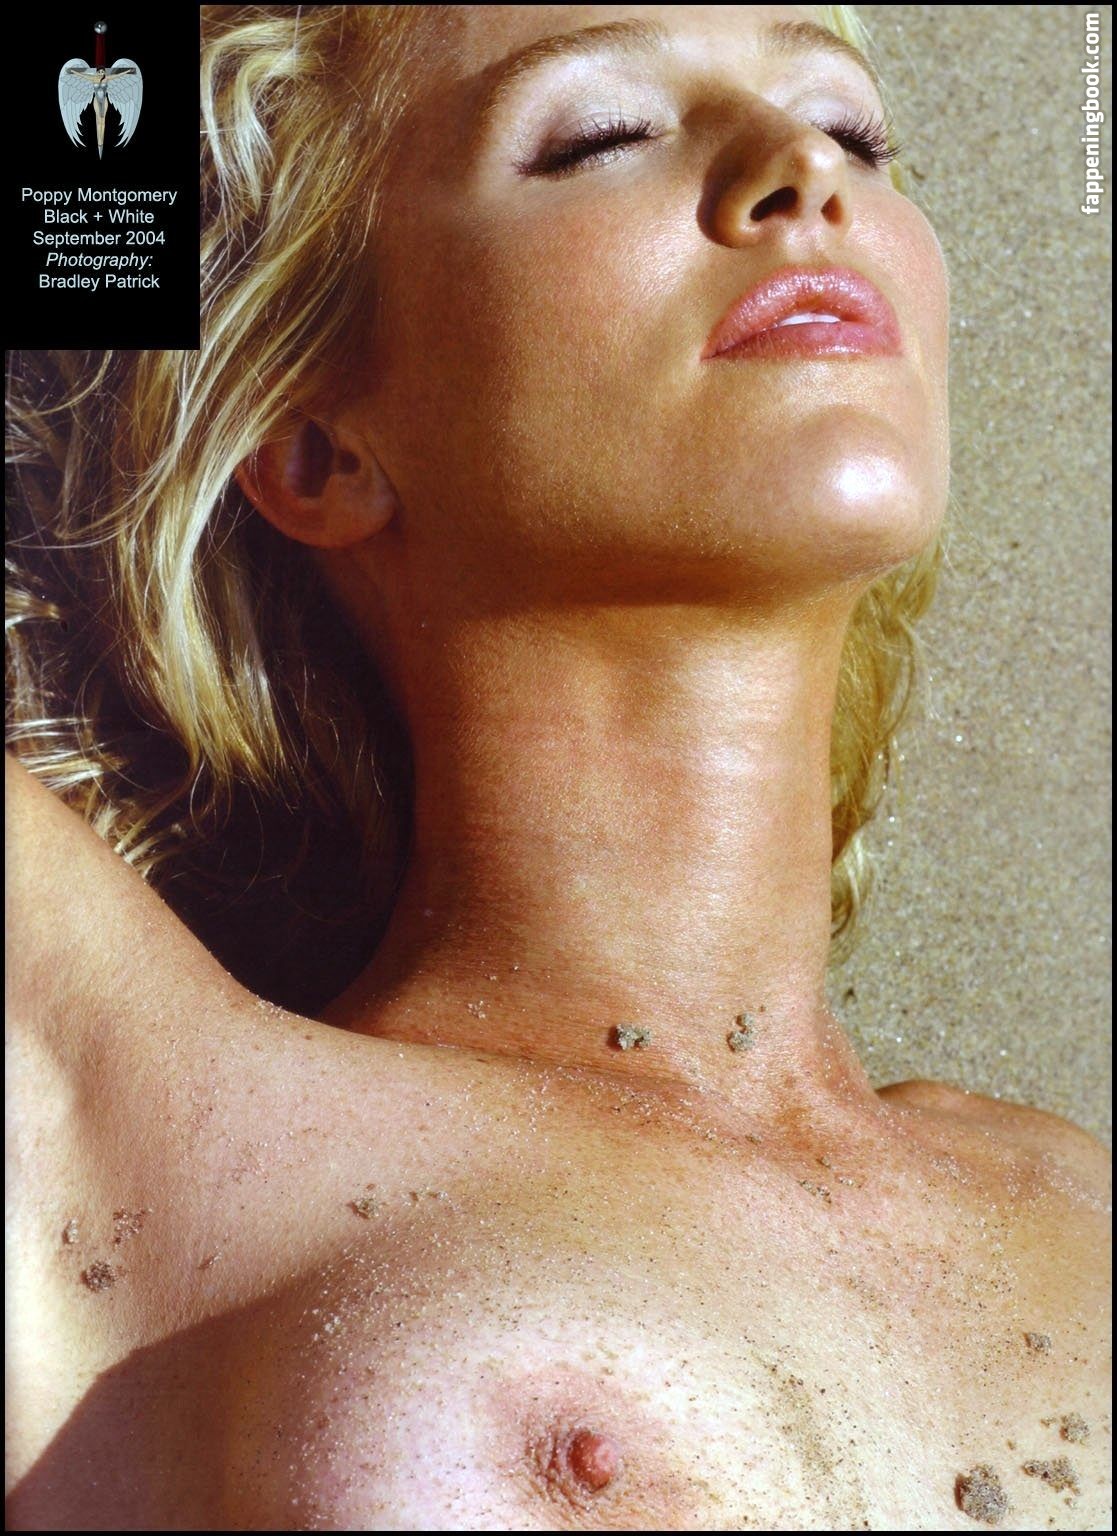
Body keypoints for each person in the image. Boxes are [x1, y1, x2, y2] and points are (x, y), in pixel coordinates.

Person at [6, 5, 1110, 1530]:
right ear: (312, 442)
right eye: (601, 133)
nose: (798, 171)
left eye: (851, 129)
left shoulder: (1075, 1206)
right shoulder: (144, 1135)